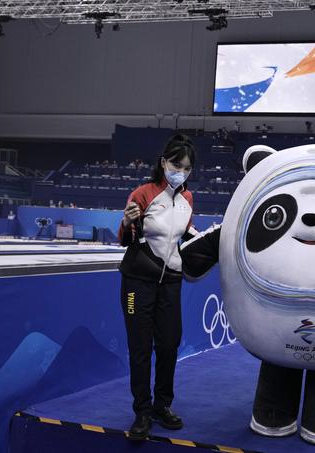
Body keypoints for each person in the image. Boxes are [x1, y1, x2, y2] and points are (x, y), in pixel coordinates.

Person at [117, 134, 198, 440]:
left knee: (168, 346)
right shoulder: (143, 193)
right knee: (140, 348)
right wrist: (126, 221)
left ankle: (162, 406)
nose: (181, 171)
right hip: (138, 281)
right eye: (177, 164)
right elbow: (125, 239)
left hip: (171, 282)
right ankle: (142, 411)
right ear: (164, 162)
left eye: (187, 168)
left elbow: (186, 233)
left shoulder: (188, 199)